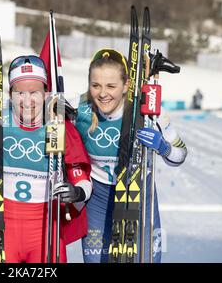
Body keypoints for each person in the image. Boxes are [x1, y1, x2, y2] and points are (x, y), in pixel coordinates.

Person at [0, 55, 93, 263]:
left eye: (34, 92)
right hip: (2, 226)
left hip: (45, 229)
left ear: (45, 93)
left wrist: (77, 192)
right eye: (19, 93)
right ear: (10, 94)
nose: (27, 101)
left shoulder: (59, 125)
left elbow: (82, 178)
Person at [72, 48, 188, 263]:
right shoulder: (78, 108)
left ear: (126, 85)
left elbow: (180, 154)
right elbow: (37, 111)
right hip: (97, 200)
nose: (102, 93)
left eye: (111, 86)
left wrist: (163, 147)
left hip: (137, 196)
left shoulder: (149, 112)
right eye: (95, 85)